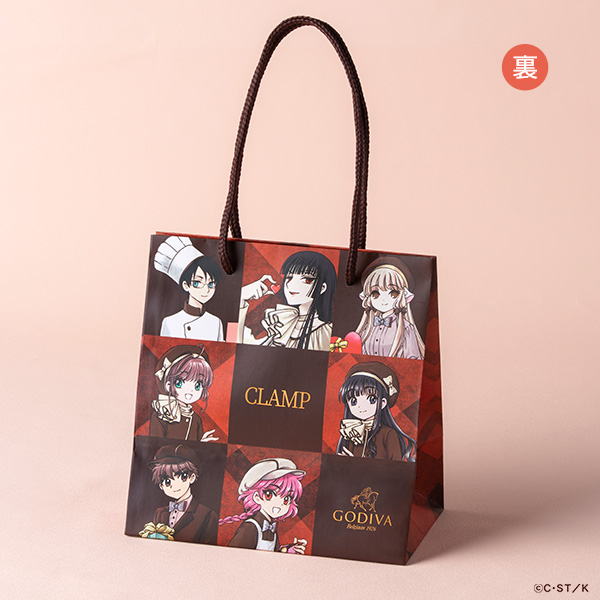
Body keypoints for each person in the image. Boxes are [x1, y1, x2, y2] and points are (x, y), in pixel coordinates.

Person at [238, 250, 336, 351]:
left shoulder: (327, 332)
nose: (291, 285)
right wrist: (242, 298)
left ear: (322, 288)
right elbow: (237, 345)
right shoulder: (283, 323)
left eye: (307, 280)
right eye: (289, 278)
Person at [219, 458, 307, 553]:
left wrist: (287, 551)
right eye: (269, 495)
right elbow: (232, 555)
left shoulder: (272, 530)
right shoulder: (249, 528)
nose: (279, 503)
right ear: (257, 497)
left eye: (286, 499)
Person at [336, 362, 416, 461]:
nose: (361, 406)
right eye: (353, 401)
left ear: (382, 403)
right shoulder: (350, 432)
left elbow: (396, 467)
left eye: (371, 399)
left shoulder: (388, 434)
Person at [154, 236, 224, 341]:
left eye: (210, 284)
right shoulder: (169, 322)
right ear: (186, 285)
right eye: (197, 283)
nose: (206, 289)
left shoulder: (216, 322)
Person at [146, 444, 218, 544]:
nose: (175, 485)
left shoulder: (208, 516)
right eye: (167, 481)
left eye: (182, 477)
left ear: (192, 477)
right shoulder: (160, 513)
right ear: (161, 486)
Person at [355, 258, 425, 359]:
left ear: (402, 295)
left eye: (393, 293)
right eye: (375, 294)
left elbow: (413, 359)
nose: (383, 299)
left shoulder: (406, 328)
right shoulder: (368, 327)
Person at [149, 344, 218, 442]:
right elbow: (155, 446)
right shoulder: (161, 415)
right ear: (168, 385)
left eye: (197, 385)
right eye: (179, 383)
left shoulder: (196, 420)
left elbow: (194, 447)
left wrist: (201, 444)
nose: (190, 391)